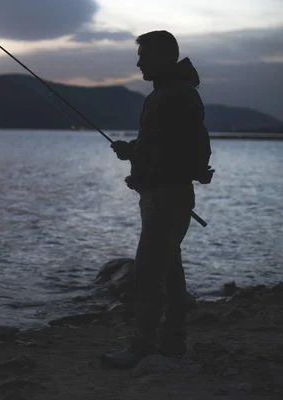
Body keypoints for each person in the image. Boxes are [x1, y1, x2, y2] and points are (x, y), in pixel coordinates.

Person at [101, 30, 213, 368]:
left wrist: (152, 171)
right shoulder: (168, 92)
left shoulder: (175, 94)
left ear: (164, 57)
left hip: (166, 197)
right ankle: (173, 342)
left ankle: (143, 347)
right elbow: (163, 143)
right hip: (163, 194)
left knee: (148, 273)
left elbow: (181, 147)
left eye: (144, 56)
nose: (138, 62)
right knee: (170, 271)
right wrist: (132, 152)